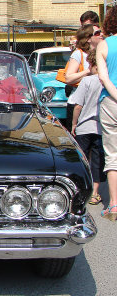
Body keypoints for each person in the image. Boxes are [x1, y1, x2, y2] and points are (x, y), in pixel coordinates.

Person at [71, 49, 106, 206]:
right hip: (101, 127)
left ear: (92, 64)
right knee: (98, 161)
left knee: (82, 159)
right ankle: (96, 193)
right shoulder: (108, 80)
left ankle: (80, 190)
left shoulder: (87, 81)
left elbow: (78, 105)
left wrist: (73, 124)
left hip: (84, 126)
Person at [96, 5, 117, 221]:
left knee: (112, 154)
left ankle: (113, 204)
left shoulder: (104, 44)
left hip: (111, 102)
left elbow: (103, 77)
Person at [64, 24, 103, 132]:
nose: (101, 35)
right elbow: (68, 78)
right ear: (88, 38)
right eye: (97, 33)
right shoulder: (79, 54)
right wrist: (88, 71)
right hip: (79, 104)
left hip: (96, 103)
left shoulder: (102, 51)